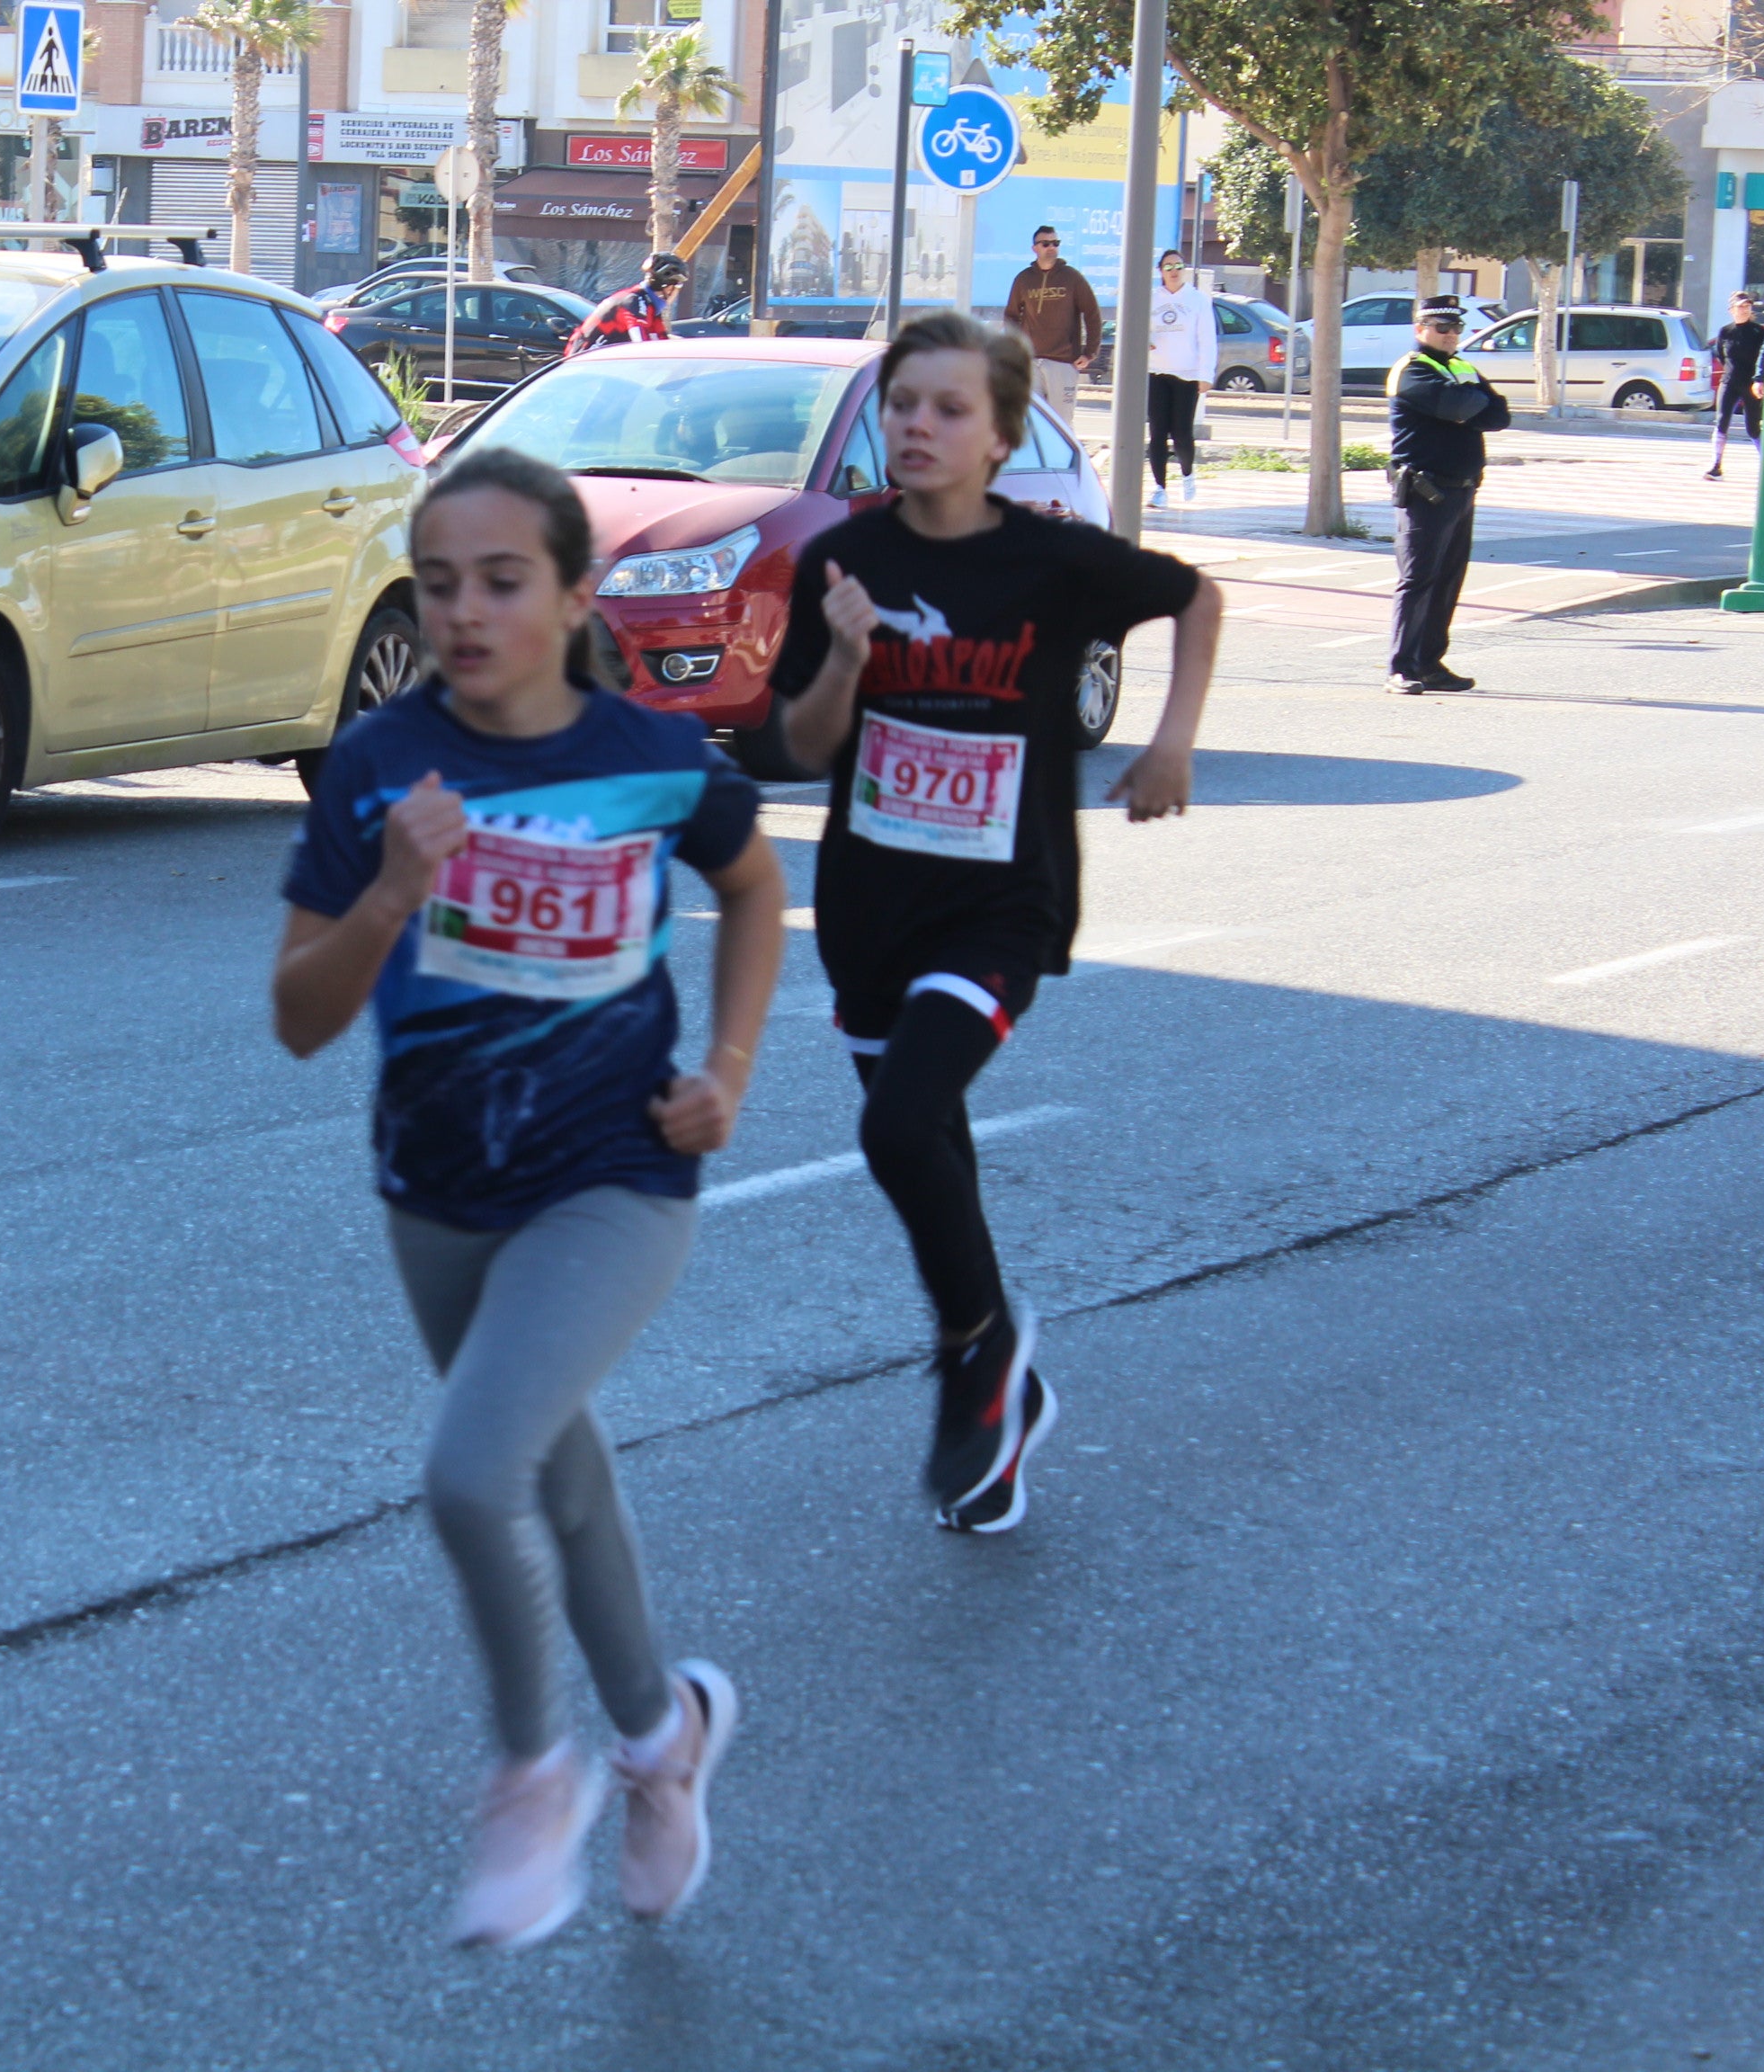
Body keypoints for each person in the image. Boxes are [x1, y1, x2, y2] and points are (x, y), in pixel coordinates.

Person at [273, 446, 787, 1951]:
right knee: (555, 1476)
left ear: (572, 596)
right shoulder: (374, 769)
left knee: (469, 1471)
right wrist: (386, 890)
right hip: (437, 1186)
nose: (464, 612)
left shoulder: (653, 753)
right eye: (438, 584)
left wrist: (730, 1068)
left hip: (615, 1174)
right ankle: (663, 1730)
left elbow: (754, 886)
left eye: (501, 581)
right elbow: (299, 1017)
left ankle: (531, 1768)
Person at [768, 311, 1220, 1534]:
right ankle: (1001, 1400)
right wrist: (847, 666)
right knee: (930, 1153)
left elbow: (1195, 596)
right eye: (903, 403)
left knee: (903, 1121)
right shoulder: (842, 563)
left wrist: (1171, 743)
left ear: (1003, 436)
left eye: (949, 409)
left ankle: (977, 1352)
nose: (918, 425)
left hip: (999, 904)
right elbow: (806, 749)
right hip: (869, 908)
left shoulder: (1053, 563)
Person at [1383, 298, 1508, 695]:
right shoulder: (1412, 369)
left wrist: (1473, 403)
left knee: (1448, 580)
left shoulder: (1462, 367)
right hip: (1426, 489)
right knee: (1418, 579)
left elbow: (1499, 414)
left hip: (1462, 488)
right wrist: (1473, 402)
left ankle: (1431, 662)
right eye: (1441, 327)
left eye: (1455, 328)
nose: (1450, 334)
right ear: (1420, 329)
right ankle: (1401, 667)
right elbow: (1455, 406)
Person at [1002, 227, 1101, 424]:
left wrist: (1090, 352)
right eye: (1046, 244)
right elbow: (1011, 316)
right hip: (1031, 363)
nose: (1051, 248)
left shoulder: (1072, 278)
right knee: (1031, 424)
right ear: (1035, 248)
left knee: (1061, 425)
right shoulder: (1024, 279)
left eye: (1056, 243)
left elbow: (1092, 314)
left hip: (1063, 363)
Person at [1145, 250, 1216, 507]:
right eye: (1167, 267)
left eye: (1178, 265)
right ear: (1160, 271)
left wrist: (1205, 374)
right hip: (1157, 373)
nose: (1173, 271)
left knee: (1182, 433)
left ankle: (1187, 473)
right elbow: (1137, 329)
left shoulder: (1197, 300)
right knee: (1157, 433)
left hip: (1186, 375)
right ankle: (1159, 488)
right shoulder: (1151, 299)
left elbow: (1207, 340)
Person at [566, 253, 690, 356]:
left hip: (602, 363)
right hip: (584, 363)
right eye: (678, 286)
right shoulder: (634, 302)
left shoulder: (649, 305)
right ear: (668, 288)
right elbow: (641, 346)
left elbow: (661, 342)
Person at [1710, 290, 1764, 480]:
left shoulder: (1758, 332)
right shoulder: (1725, 332)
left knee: (1753, 427)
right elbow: (1721, 355)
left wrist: (1760, 380)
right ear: (1731, 310)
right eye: (1740, 306)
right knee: (1721, 422)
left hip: (1751, 384)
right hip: (1729, 382)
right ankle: (1716, 465)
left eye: (1747, 306)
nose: (1744, 309)